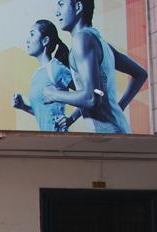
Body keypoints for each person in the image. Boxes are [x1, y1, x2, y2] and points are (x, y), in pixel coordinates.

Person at [44, 0, 148, 133]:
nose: (57, 12)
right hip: (117, 131)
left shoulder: (82, 39)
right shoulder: (99, 42)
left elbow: (91, 98)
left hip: (110, 137)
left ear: (78, 7)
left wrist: (54, 94)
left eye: (61, 4)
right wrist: (72, 118)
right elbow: (139, 75)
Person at [12, 20, 74, 132]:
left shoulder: (56, 69)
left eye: (32, 34)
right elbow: (45, 114)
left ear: (45, 40)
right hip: (46, 138)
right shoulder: (36, 74)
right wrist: (23, 106)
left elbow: (88, 96)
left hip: (60, 139)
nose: (27, 40)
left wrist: (71, 118)